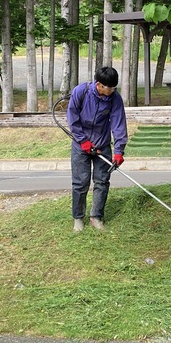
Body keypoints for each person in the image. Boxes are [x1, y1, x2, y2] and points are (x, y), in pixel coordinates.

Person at [66, 66, 128, 232]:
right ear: (99, 85)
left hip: (102, 144)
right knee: (80, 182)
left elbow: (118, 124)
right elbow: (72, 118)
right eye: (110, 87)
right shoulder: (81, 92)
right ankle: (78, 218)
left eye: (114, 87)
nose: (113, 90)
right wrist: (83, 141)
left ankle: (96, 217)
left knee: (102, 182)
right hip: (81, 145)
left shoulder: (115, 98)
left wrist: (119, 151)